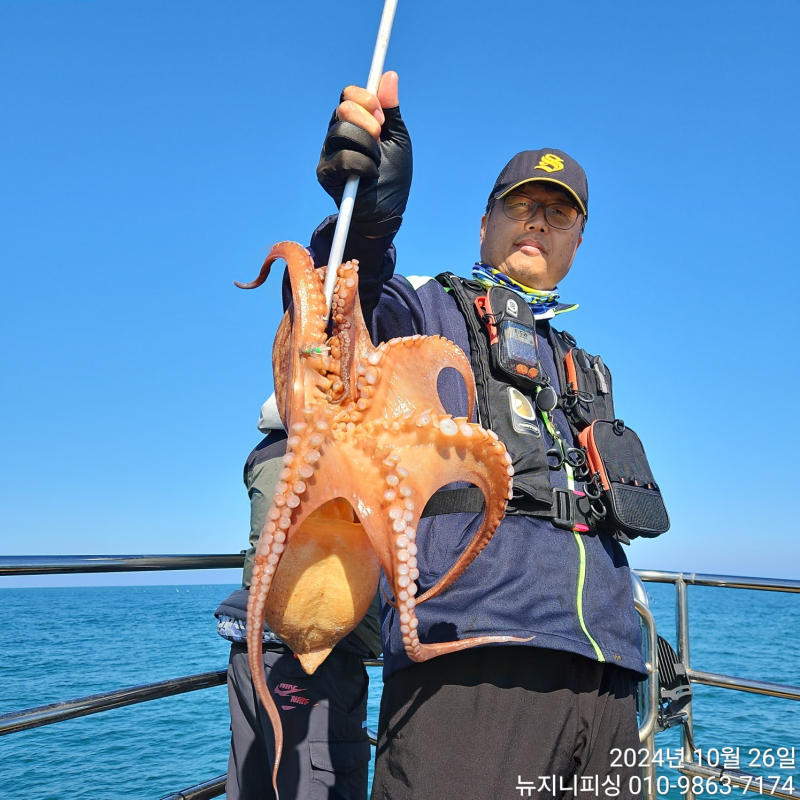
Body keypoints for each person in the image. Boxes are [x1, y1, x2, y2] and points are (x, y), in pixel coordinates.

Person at [307, 71, 666, 800]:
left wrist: (641, 639)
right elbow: (333, 312)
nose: (537, 220)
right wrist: (365, 220)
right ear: (484, 224)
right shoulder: (424, 311)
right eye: (520, 205)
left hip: (608, 680)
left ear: (577, 241)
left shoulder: (585, 368)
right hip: (470, 659)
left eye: (558, 214)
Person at [215, 409, 382, 800]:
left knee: (252, 782)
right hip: (314, 650)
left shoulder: (262, 453)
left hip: (249, 649)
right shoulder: (347, 448)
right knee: (321, 783)